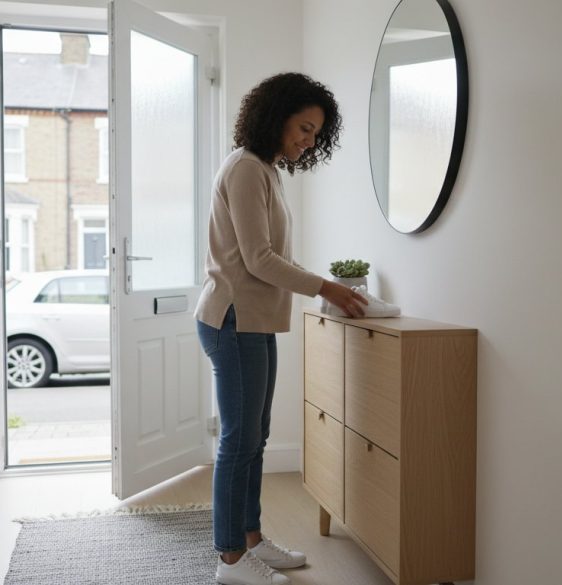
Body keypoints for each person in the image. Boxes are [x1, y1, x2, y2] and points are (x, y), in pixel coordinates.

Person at [194, 72, 367, 585]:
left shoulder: (267, 170)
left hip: (254, 320)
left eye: (315, 135)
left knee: (256, 437)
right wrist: (327, 288)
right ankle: (230, 560)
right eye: (303, 128)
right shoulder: (247, 169)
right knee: (238, 441)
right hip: (233, 319)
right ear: (277, 116)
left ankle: (251, 541)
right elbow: (260, 259)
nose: (307, 141)